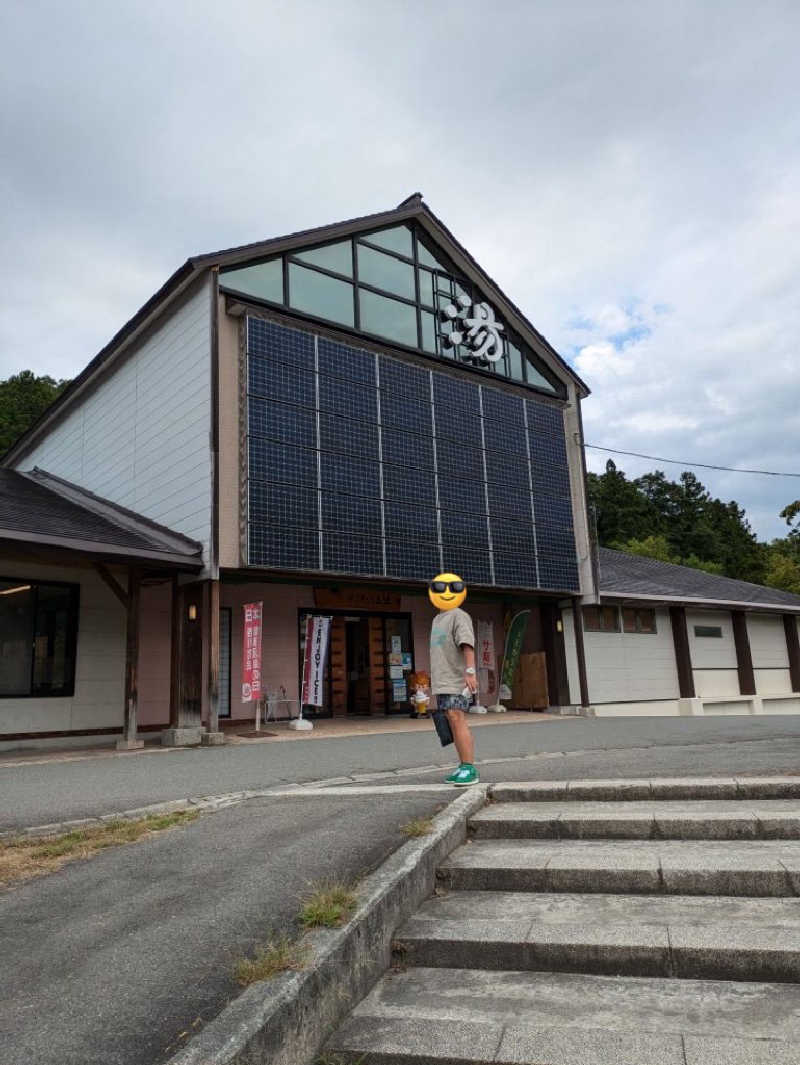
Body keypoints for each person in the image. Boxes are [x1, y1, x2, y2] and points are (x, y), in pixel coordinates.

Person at [428, 572, 479, 787]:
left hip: (456, 678)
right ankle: (462, 766)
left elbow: (466, 643)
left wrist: (470, 671)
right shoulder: (438, 618)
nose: (446, 594)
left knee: (457, 717)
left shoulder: (459, 615)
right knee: (450, 718)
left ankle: (469, 768)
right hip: (442, 680)